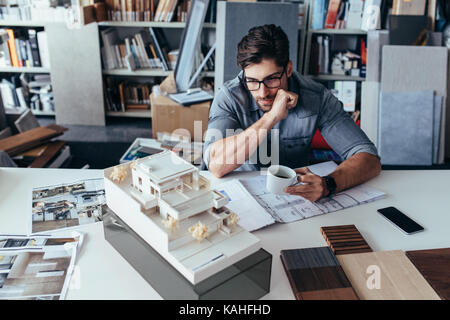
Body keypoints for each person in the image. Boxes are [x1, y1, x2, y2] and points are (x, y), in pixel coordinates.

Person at [203, 24, 381, 202]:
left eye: (271, 79)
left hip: (293, 198)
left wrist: (329, 184)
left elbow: (369, 158)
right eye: (252, 81)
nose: (262, 92)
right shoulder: (228, 97)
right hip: (240, 199)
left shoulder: (316, 97)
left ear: (288, 69)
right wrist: (271, 117)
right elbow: (216, 166)